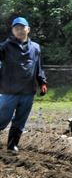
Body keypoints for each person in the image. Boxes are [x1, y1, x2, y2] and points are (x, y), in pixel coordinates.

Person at [0, 17, 47, 153]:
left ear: (28, 29)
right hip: (9, 90)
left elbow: (39, 67)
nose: (20, 31)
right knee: (3, 117)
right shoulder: (4, 47)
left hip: (28, 91)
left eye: (22, 28)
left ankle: (12, 145)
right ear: (13, 31)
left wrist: (42, 82)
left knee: (21, 119)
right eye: (16, 28)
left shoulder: (35, 48)